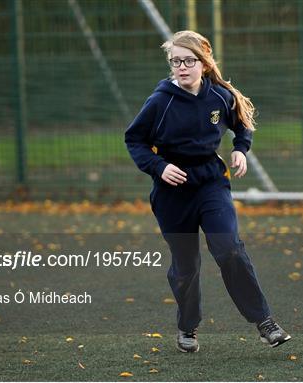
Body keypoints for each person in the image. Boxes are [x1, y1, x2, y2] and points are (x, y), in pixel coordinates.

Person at [125, 30, 291, 353]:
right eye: (176, 62)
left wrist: (241, 149)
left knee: (229, 248)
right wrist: (159, 167)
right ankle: (187, 325)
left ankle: (265, 322)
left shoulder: (219, 97)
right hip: (172, 194)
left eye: (188, 61)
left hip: (211, 184)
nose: (182, 67)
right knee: (187, 266)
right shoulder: (160, 101)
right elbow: (135, 140)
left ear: (203, 63)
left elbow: (242, 123)